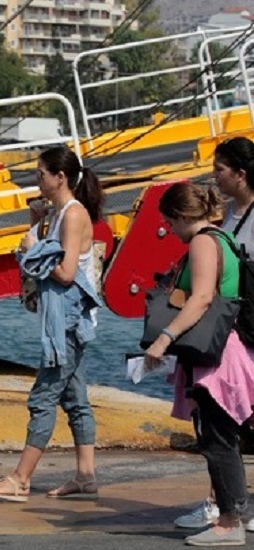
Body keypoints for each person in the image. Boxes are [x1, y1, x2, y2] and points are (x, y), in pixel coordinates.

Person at [0, 146, 105, 503]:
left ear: (60, 177)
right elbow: (49, 253)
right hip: (65, 317)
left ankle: (21, 478)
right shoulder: (60, 213)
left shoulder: (75, 215)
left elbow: (64, 273)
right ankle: (84, 475)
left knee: (44, 396)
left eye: (41, 174)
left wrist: (32, 246)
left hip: (66, 319)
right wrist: (35, 224)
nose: (37, 180)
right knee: (75, 396)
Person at [145, 182, 254, 546]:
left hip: (216, 355)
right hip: (227, 348)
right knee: (223, 436)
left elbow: (204, 296)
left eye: (169, 223)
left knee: (217, 438)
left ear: (180, 216)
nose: (170, 231)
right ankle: (234, 514)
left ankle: (229, 522)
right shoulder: (223, 236)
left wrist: (165, 337)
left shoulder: (203, 242)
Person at [172, 137, 254, 532]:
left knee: (230, 421)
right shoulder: (231, 217)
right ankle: (220, 503)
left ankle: (229, 511)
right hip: (233, 329)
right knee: (223, 419)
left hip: (247, 326)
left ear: (241, 174)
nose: (214, 176)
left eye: (221, 169)